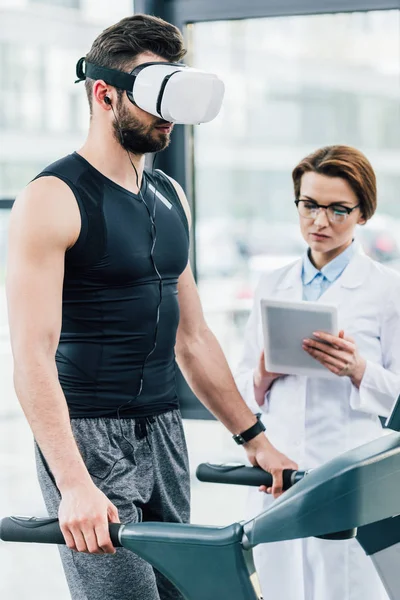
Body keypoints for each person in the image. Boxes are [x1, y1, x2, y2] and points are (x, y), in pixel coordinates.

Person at [5, 13, 297, 600]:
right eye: (151, 95)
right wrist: (74, 484)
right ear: (104, 93)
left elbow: (191, 337)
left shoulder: (170, 193)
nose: (166, 115)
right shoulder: (52, 198)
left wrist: (253, 437)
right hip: (88, 434)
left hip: (163, 430)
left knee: (181, 593)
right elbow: (32, 356)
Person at [235, 144, 400, 600]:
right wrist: (263, 373)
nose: (319, 221)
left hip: (350, 477)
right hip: (279, 476)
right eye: (309, 206)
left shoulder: (388, 292)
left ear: (363, 213)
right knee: (282, 585)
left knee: (346, 587)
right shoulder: (272, 284)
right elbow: (240, 395)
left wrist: (358, 369)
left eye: (337, 210)